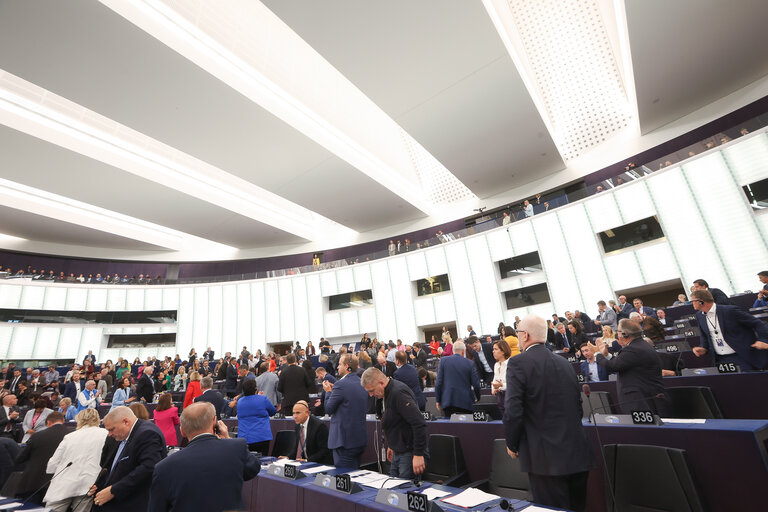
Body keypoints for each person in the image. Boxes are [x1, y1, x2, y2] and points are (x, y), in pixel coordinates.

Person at [504, 315, 592, 512]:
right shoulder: (564, 363)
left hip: (546, 459)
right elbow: (577, 407)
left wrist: (512, 443)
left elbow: (513, 410)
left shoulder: (518, 363)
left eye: (518, 332)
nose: (518, 337)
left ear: (525, 335)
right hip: (577, 452)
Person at [148, 402, 260, 512]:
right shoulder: (236, 447)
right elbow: (253, 468)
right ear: (214, 422)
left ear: (182, 431)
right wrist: (227, 438)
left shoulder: (164, 468)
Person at [89, 406, 166, 511]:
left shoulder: (146, 433)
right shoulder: (125, 435)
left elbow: (149, 468)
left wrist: (114, 490)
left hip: (133, 503)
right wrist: (100, 484)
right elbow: (117, 466)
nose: (109, 434)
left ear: (126, 421)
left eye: (111, 429)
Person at [589, 319, 671, 416]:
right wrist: (606, 355)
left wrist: (597, 353)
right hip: (647, 397)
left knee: (647, 430)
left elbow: (612, 366)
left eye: (618, 331)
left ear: (624, 334)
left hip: (642, 400)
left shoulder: (633, 349)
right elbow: (621, 363)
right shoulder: (640, 345)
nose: (616, 333)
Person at [361, 368, 427, 479]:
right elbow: (395, 421)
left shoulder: (398, 393)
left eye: (371, 390)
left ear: (381, 383)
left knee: (403, 491)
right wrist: (392, 445)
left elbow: (419, 423)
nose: (371, 395)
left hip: (409, 453)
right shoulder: (386, 393)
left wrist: (418, 454)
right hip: (398, 451)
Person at [44, 409, 108, 512]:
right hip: (88, 483)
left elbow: (52, 464)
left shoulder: (69, 437)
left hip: (63, 484)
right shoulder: (105, 434)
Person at [691, 289, 768, 371]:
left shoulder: (729, 311)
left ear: (701, 302)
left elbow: (757, 323)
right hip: (720, 360)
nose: (692, 303)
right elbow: (704, 335)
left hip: (740, 356)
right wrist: (704, 348)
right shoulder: (700, 315)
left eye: (693, 301)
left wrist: (763, 340)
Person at [15, 411, 70, 504]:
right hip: (62, 483)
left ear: (48, 422)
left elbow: (20, 458)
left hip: (36, 481)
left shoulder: (38, 435)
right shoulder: (72, 435)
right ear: (63, 421)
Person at [324, 354, 369, 468]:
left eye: (339, 364)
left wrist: (329, 392)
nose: (337, 367)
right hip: (358, 440)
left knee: (344, 479)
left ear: (347, 366)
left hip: (343, 442)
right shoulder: (362, 383)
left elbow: (329, 409)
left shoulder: (341, 385)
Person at [435, 341, 481, 417]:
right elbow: (476, 384)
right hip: (465, 402)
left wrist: (438, 400)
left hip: (448, 401)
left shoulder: (443, 361)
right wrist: (478, 397)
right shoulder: (470, 363)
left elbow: (438, 383)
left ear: (453, 351)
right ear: (463, 352)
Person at [232, 379, 275, 454]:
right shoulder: (263, 399)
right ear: (255, 389)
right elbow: (273, 411)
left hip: (245, 437)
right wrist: (260, 397)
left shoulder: (240, 402)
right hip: (261, 437)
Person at [286, 400, 332, 464]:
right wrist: (287, 458)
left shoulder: (319, 426)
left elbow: (324, 451)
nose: (295, 416)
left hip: (319, 463)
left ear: (307, 413)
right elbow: (296, 447)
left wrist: (307, 461)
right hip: (304, 462)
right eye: (293, 413)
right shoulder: (298, 426)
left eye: (298, 413)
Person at [491, 340, 512, 414]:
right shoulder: (496, 365)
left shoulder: (511, 364)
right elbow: (495, 379)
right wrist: (493, 388)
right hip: (500, 397)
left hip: (510, 397)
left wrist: (501, 385)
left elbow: (513, 384)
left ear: (503, 351)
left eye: (496, 349)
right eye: (493, 349)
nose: (493, 351)